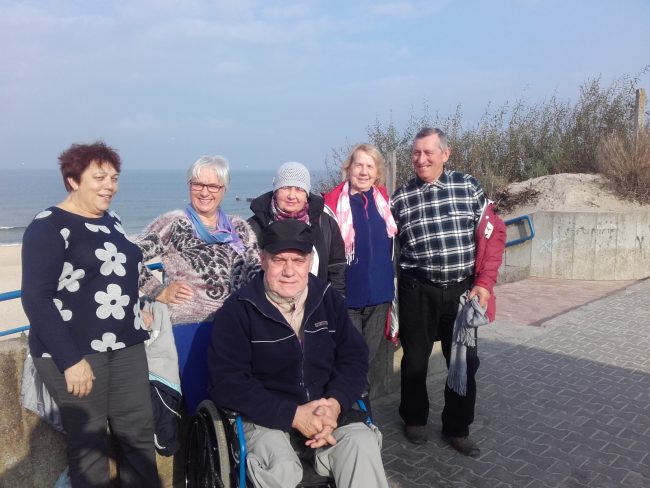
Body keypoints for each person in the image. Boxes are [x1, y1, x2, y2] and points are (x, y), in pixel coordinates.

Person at [207, 219, 389, 488]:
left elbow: (354, 358)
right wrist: (294, 415)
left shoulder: (327, 298)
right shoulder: (238, 310)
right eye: (279, 260)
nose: (289, 271)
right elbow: (228, 381)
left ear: (310, 261)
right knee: (280, 469)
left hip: (325, 411)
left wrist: (334, 404)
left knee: (362, 444)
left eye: (298, 260)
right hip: (265, 418)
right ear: (263, 260)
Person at [21, 141, 160, 487]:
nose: (109, 185)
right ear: (73, 180)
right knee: (89, 443)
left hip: (126, 345)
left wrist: (138, 307)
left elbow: (119, 273)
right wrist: (70, 360)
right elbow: (36, 298)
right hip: (75, 350)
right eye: (99, 177)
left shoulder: (113, 220)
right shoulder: (48, 226)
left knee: (138, 434)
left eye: (114, 178)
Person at [391, 127, 506, 456]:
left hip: (461, 292)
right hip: (417, 289)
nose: (421, 159)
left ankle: (457, 428)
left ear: (445, 154)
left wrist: (484, 283)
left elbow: (494, 236)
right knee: (415, 360)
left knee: (465, 362)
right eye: (416, 153)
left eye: (428, 152)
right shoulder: (401, 198)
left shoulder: (468, 186)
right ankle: (414, 419)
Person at [134, 155, 260, 324]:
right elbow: (132, 257)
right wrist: (160, 289)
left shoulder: (239, 227)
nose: (204, 192)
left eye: (213, 186)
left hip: (236, 325)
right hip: (185, 327)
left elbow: (256, 272)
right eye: (198, 184)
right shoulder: (174, 223)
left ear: (224, 189)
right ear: (189, 186)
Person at [323, 143, 397, 375]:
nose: (364, 172)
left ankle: (362, 399)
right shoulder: (331, 205)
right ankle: (354, 399)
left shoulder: (384, 202)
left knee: (366, 362)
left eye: (370, 166)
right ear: (349, 168)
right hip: (346, 299)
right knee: (348, 361)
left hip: (380, 297)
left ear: (377, 172)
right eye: (359, 165)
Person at [248, 161, 346, 297]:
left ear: (306, 195)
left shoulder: (325, 224)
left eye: (299, 189)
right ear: (276, 191)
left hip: (316, 304)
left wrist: (335, 301)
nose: (292, 195)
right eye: (286, 187)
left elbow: (336, 268)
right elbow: (246, 273)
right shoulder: (253, 227)